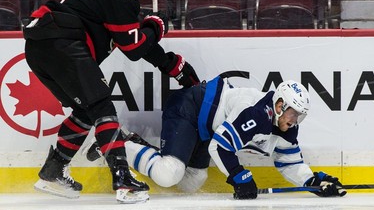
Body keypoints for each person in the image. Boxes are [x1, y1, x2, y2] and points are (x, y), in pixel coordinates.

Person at [23, 0, 199, 203]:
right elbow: (135, 48)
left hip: (40, 48)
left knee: (86, 110)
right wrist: (155, 26)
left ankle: (53, 171)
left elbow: (134, 41)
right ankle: (123, 180)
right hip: (62, 44)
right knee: (102, 105)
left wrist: (172, 65)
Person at [88, 75, 347, 199]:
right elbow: (220, 147)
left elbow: (289, 162)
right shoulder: (257, 113)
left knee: (192, 181)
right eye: (292, 113)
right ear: (279, 104)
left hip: (209, 125)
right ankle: (112, 143)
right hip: (190, 109)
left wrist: (313, 182)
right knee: (169, 174)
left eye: (299, 116)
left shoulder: (286, 126)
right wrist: (238, 175)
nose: (294, 120)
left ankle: (132, 142)